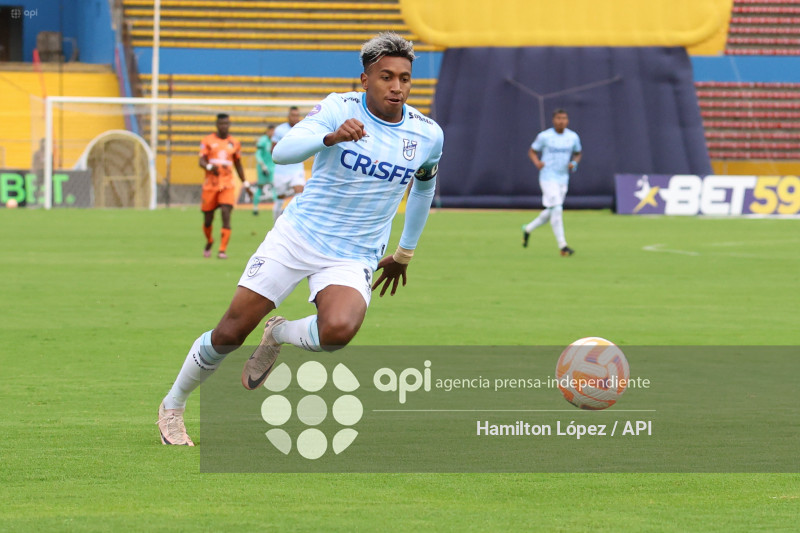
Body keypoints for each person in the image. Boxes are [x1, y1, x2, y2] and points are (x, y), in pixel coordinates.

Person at [158, 32, 444, 446]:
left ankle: (277, 334)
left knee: (338, 332)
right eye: (386, 77)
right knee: (229, 334)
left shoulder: (426, 134)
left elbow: (423, 187)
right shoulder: (337, 108)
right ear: (364, 79)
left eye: (404, 78)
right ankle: (173, 405)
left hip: (354, 254)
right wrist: (330, 137)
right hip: (298, 237)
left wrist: (405, 251)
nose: (396, 86)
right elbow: (283, 151)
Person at [522, 109, 581, 256]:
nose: (561, 121)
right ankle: (563, 245)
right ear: (553, 120)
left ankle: (528, 229)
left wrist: (574, 163)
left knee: (552, 210)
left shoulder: (572, 137)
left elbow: (578, 152)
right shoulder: (545, 136)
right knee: (557, 208)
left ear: (567, 120)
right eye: (558, 118)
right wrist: (537, 162)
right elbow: (532, 151)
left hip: (563, 178)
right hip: (548, 176)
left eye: (564, 118)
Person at [199, 113, 249, 259]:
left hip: (227, 185)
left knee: (226, 214)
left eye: (226, 123)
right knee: (208, 219)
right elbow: (201, 161)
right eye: (221, 124)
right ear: (217, 125)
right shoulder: (208, 141)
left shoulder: (234, 143)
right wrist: (209, 167)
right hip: (211, 185)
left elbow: (238, 164)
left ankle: (222, 250)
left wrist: (245, 183)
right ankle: (209, 241)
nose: (224, 126)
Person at [270, 106, 306, 221]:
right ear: (288, 116)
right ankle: (276, 222)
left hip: (296, 168)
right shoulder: (280, 130)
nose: (295, 118)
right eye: (293, 115)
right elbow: (273, 150)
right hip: (282, 170)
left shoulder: (303, 129)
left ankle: (295, 220)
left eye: (297, 115)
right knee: (280, 197)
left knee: (299, 193)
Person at [252, 124, 276, 216]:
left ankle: (276, 207)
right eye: (271, 131)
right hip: (262, 168)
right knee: (260, 187)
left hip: (272, 167)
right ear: (268, 131)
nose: (273, 133)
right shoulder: (263, 140)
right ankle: (255, 208)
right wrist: (262, 165)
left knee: (274, 186)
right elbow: (258, 154)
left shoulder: (275, 141)